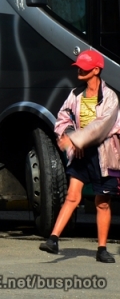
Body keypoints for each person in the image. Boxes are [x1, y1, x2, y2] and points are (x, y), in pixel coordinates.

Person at [38, 49, 120, 263]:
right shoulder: (76, 94)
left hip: (103, 154)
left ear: (96, 70)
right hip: (81, 153)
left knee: (102, 202)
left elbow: (101, 127)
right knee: (72, 196)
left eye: (84, 67)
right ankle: (53, 239)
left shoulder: (110, 97)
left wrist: (76, 140)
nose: (79, 71)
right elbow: (63, 116)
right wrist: (69, 135)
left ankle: (101, 248)